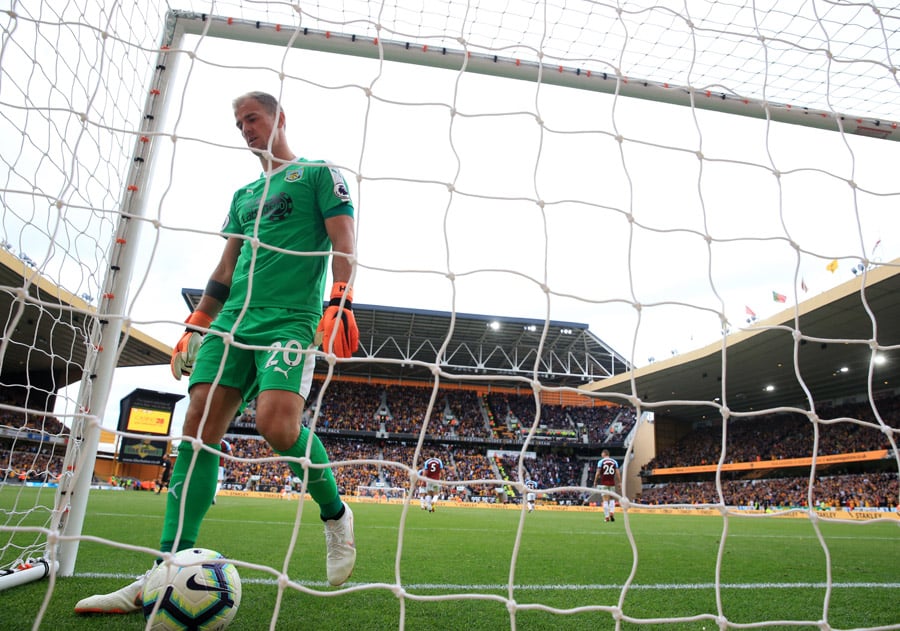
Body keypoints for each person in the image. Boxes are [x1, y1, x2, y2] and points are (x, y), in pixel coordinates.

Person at [75, 90, 360, 615]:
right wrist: (198, 323)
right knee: (197, 436)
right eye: (238, 123)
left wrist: (338, 299)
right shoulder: (244, 194)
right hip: (232, 323)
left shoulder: (320, 174)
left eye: (251, 118)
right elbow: (225, 267)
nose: (245, 129)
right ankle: (163, 570)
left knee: (277, 426)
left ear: (279, 117)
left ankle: (335, 514)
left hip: (289, 321)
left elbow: (344, 239)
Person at [593, 449, 622, 522]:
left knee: (605, 500)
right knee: (612, 499)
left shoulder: (601, 462)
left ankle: (606, 517)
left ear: (604, 454)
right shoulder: (614, 462)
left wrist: (595, 481)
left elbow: (598, 473)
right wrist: (620, 482)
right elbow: (618, 473)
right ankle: (612, 512)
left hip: (604, 483)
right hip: (612, 483)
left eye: (601, 454)